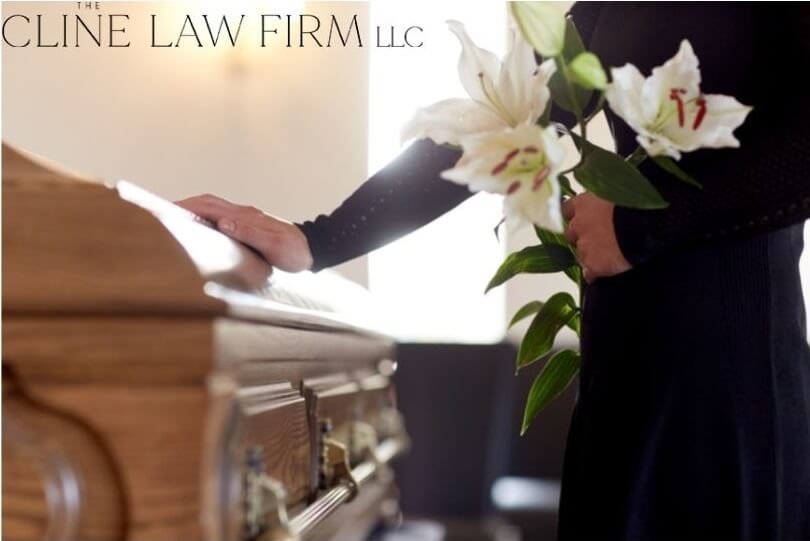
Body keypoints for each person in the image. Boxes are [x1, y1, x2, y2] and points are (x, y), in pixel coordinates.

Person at [178, 3, 810, 539]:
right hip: (629, 354)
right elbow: (499, 125)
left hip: (734, 361)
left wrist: (645, 225)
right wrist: (317, 239)